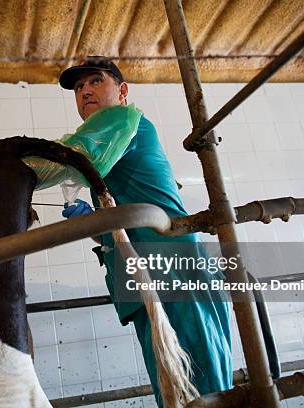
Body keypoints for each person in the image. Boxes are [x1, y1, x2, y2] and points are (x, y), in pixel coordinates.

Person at [58, 56, 232, 406]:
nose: (85, 91)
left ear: (122, 91)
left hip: (174, 268)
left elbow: (62, 161)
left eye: (95, 81)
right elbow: (119, 227)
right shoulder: (105, 150)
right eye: (78, 88)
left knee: (204, 390)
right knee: (171, 389)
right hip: (142, 277)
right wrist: (90, 222)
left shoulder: (124, 122)